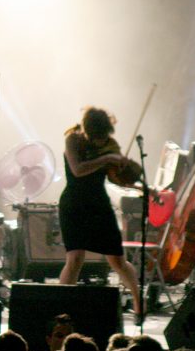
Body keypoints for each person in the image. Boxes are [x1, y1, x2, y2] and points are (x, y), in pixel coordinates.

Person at [58, 107, 142, 320]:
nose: (102, 140)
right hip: (74, 204)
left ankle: (139, 302)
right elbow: (78, 170)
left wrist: (127, 170)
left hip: (98, 204)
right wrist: (107, 159)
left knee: (117, 261)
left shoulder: (109, 146)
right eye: (98, 137)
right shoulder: (73, 140)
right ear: (88, 131)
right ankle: (61, 308)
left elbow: (116, 177)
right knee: (75, 258)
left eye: (105, 136)